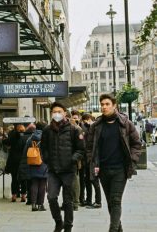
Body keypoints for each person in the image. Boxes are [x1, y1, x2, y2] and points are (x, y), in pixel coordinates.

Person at [86, 93, 141, 232]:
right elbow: (89, 147)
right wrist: (91, 161)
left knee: (116, 200)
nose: (104, 107)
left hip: (120, 169)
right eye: (102, 104)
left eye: (107, 104)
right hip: (103, 170)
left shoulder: (125, 123)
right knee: (111, 203)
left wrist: (133, 159)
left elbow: (136, 143)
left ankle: (112, 229)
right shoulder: (96, 126)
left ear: (114, 105)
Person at [41, 102, 85, 232]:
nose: (57, 114)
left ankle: (68, 226)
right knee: (51, 197)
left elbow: (81, 149)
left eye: (59, 111)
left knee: (68, 201)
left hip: (68, 171)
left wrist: (72, 160)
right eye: (54, 112)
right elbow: (43, 148)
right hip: (53, 171)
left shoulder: (74, 129)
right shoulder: (47, 130)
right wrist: (46, 159)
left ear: (65, 113)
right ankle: (58, 222)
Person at [79, 113, 102, 209]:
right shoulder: (88, 128)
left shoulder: (95, 129)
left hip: (94, 159)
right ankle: (89, 201)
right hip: (88, 159)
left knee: (94, 180)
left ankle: (98, 202)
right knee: (88, 180)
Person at [27, 121, 48, 212]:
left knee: (34, 183)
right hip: (43, 163)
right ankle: (41, 205)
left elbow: (26, 151)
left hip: (32, 162)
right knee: (42, 184)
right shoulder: (47, 137)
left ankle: (33, 204)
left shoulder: (30, 138)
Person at [5, 124, 27, 202]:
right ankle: (23, 196)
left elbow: (5, 142)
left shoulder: (12, 137)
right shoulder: (25, 138)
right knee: (23, 179)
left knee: (14, 179)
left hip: (13, 160)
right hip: (23, 161)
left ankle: (14, 195)